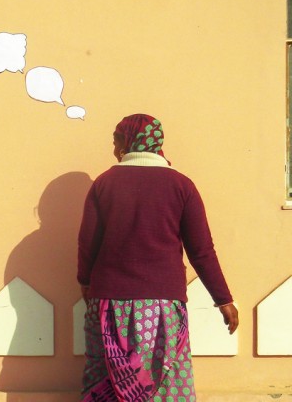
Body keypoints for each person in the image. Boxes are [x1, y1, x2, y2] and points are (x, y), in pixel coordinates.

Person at [77, 114, 238, 402]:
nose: (114, 149)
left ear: (129, 141)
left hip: (108, 304)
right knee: (163, 386)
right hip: (163, 307)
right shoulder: (181, 185)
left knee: (108, 383)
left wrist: (85, 282)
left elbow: (87, 243)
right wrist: (223, 299)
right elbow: (201, 251)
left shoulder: (104, 184)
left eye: (116, 140)